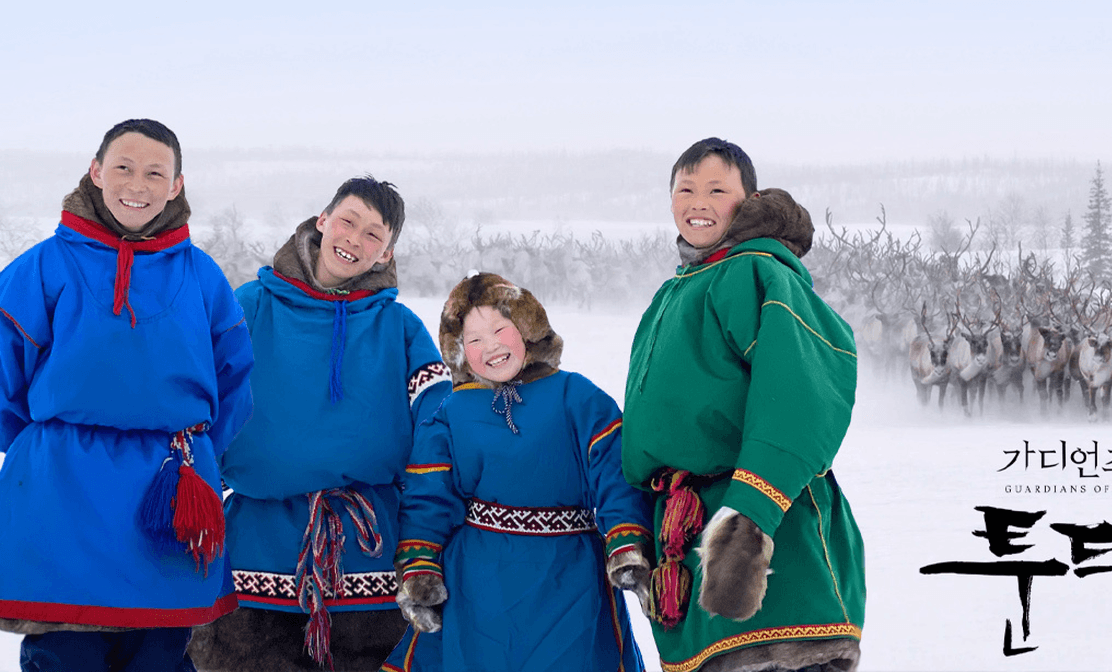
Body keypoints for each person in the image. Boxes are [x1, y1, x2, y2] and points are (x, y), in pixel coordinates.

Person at [0, 118, 254, 671]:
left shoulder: (202, 275)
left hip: (167, 498)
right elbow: (4, 378)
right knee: (66, 657)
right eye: (123, 167)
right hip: (61, 498)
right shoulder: (44, 266)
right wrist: (56, 446)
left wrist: (197, 455)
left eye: (155, 172)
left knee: (160, 659)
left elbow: (234, 384)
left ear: (176, 186)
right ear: (95, 172)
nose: (137, 184)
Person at [187, 177, 452, 671]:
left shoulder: (401, 328)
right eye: (348, 221)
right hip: (255, 556)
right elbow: (194, 397)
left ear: (387, 254)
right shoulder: (248, 306)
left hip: (372, 561)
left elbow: (441, 430)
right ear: (322, 221)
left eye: (374, 234)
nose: (354, 239)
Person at [621, 138, 865, 672]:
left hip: (768, 535)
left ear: (747, 200)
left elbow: (802, 398)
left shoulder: (757, 272)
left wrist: (748, 520)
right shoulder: (672, 292)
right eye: (685, 189)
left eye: (717, 190)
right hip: (686, 533)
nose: (698, 202)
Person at [385, 272, 652, 672]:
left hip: (569, 576)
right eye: (473, 340)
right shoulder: (452, 412)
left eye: (499, 329)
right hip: (478, 582)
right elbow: (428, 496)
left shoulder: (576, 396)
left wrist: (625, 540)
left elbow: (614, 471)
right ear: (459, 351)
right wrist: (420, 566)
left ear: (527, 329)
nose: (490, 346)